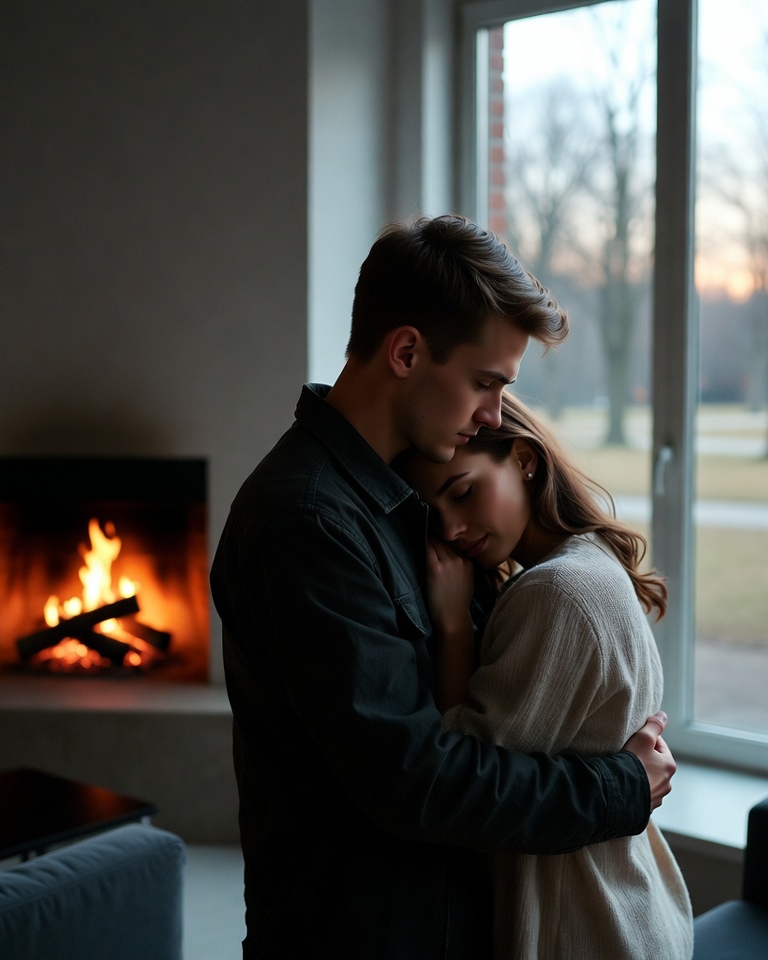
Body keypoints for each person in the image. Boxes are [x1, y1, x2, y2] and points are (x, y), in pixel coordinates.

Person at [209, 214, 677, 959]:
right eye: (484, 383)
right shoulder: (306, 523)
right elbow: (417, 780)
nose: (493, 414)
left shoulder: (407, 494)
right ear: (405, 351)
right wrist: (621, 788)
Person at [398, 391, 693, 960]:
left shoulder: (556, 592)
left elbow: (464, 773)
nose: (454, 530)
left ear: (525, 460)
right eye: (436, 518)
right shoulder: (589, 562)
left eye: (464, 491)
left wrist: (454, 628)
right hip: (623, 904)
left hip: (585, 926)